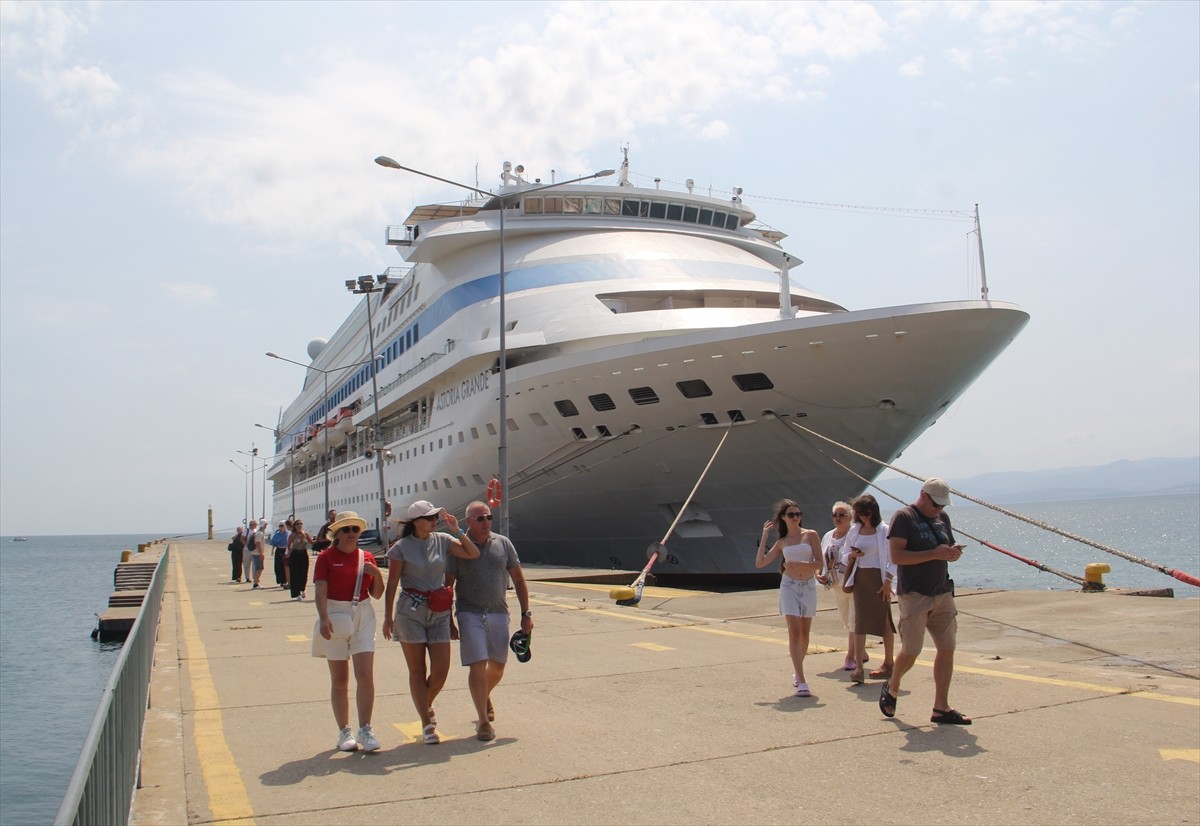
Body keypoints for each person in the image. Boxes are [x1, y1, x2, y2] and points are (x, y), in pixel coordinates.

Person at [382, 500, 480, 745]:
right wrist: (387, 618)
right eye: (429, 517)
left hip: (438, 611)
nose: (434, 520)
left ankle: (424, 704)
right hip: (410, 612)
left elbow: (472, 553)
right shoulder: (401, 548)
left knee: (441, 669)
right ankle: (426, 723)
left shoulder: (443, 541)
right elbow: (392, 583)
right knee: (417, 670)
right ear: (416, 522)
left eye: (435, 516)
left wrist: (456, 529)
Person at [881, 478, 971, 725]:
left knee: (947, 647)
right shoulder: (904, 517)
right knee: (911, 650)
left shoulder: (942, 519)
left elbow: (946, 547)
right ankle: (893, 684)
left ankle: (941, 708)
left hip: (941, 591)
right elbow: (897, 556)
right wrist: (933, 554)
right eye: (935, 504)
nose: (939, 509)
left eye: (943, 505)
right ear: (923, 495)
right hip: (915, 595)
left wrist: (952, 554)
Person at [445, 500, 533, 741]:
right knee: (478, 662)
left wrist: (526, 614)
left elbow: (519, 581)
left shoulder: (503, 543)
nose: (486, 522)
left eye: (489, 517)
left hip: (498, 611)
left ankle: (483, 695)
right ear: (468, 522)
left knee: (498, 665)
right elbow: (448, 584)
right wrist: (448, 621)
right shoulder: (458, 547)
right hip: (468, 611)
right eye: (480, 518)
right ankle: (483, 721)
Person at [312, 510, 386, 752]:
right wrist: (323, 619)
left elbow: (377, 593)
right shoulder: (325, 557)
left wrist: (375, 573)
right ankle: (344, 731)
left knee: (365, 675)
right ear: (337, 533)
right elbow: (320, 590)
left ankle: (365, 729)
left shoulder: (366, 557)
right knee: (340, 679)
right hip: (335, 614)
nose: (352, 534)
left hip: (363, 615)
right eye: (346, 529)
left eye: (355, 529)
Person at [755, 500, 822, 697]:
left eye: (798, 514)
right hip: (789, 586)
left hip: (808, 586)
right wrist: (765, 535)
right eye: (791, 514)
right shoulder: (782, 542)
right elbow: (760, 563)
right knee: (793, 631)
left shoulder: (811, 535)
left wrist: (801, 563)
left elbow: (820, 563)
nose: (795, 518)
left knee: (804, 633)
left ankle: (797, 669)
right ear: (783, 518)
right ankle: (801, 680)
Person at [841, 494, 896, 684]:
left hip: (879, 579)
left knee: (885, 621)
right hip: (861, 578)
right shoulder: (855, 531)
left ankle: (889, 662)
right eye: (860, 513)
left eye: (867, 513)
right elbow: (844, 553)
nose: (864, 517)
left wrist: (888, 581)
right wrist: (852, 555)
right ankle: (858, 667)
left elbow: (892, 558)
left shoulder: (884, 531)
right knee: (859, 622)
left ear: (874, 511)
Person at [820, 502, 857, 671]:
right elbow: (821, 558)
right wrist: (820, 575)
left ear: (850, 517)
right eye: (835, 515)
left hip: (854, 583)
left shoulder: (855, 534)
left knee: (853, 619)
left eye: (842, 515)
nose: (837, 518)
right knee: (845, 620)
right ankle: (861, 652)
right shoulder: (828, 535)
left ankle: (851, 656)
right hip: (836, 584)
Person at [288, 519, 312, 600]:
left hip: (303, 554)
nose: (299, 525)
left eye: (301, 524)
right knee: (295, 574)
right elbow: (288, 545)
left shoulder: (305, 534)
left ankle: (303, 589)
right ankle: (296, 593)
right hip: (295, 554)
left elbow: (312, 542)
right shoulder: (293, 535)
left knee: (304, 573)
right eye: (297, 524)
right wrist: (288, 554)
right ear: (295, 526)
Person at [271, 521, 290, 589]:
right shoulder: (277, 534)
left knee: (285, 566)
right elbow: (273, 542)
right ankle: (281, 581)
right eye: (279, 526)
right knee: (278, 566)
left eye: (282, 526)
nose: (280, 527)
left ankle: (287, 580)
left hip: (286, 550)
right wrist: (272, 550)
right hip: (279, 550)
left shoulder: (288, 534)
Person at [243, 520, 260, 585]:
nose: (256, 525)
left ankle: (255, 578)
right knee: (247, 564)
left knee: (255, 564)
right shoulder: (246, 530)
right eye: (255, 524)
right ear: (252, 524)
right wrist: (247, 545)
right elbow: (242, 538)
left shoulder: (256, 531)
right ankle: (247, 577)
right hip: (246, 550)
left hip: (254, 550)